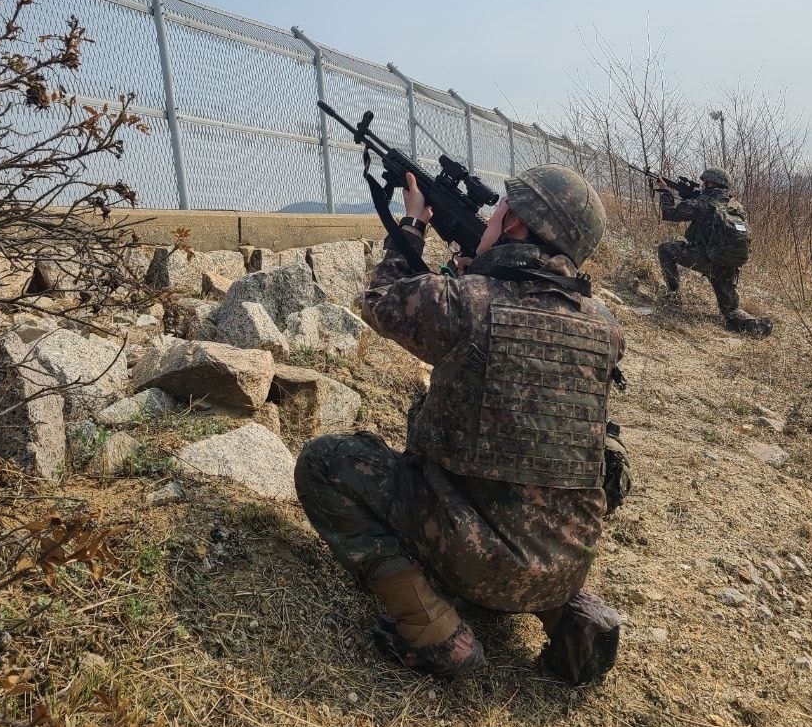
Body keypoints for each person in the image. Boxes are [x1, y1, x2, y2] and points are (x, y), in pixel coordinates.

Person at [294, 165, 627, 684]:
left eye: (498, 209)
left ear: (513, 219)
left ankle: (434, 632)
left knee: (323, 463)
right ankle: (572, 616)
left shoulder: (466, 303)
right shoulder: (604, 325)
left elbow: (380, 301)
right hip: (565, 563)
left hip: (476, 558)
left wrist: (411, 224)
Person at [656, 166, 771, 336]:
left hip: (704, 258)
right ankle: (755, 325)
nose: (702, 185)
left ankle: (672, 292)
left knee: (665, 249)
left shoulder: (701, 203)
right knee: (731, 310)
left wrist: (665, 192)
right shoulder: (737, 207)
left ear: (710, 182)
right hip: (727, 264)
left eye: (704, 182)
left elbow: (669, 214)